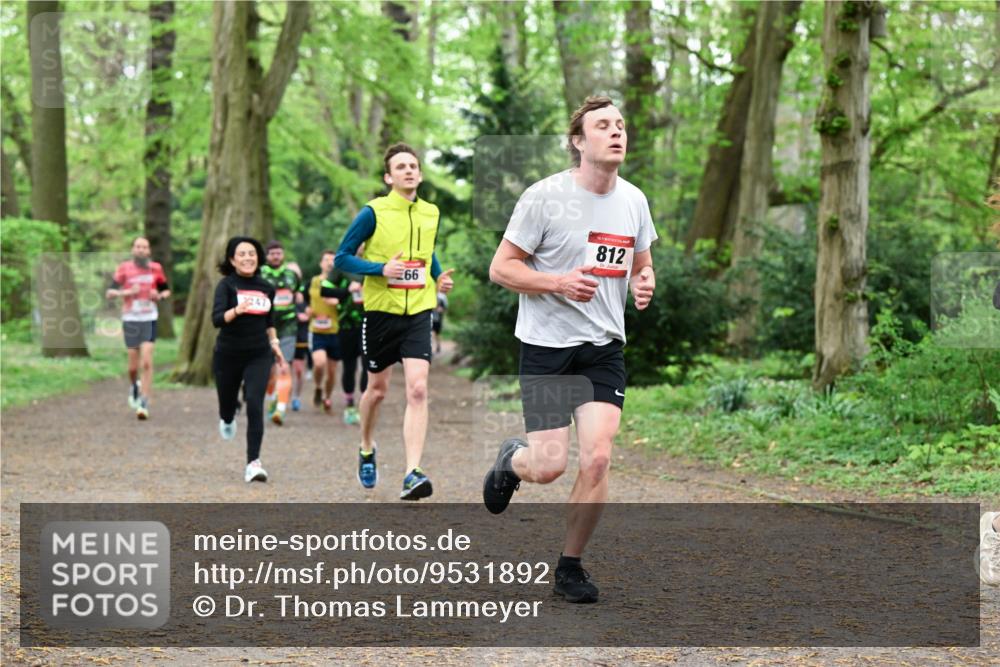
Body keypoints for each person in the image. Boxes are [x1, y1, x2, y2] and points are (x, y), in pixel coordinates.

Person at [482, 96, 657, 603]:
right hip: (547, 347)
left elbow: (642, 265)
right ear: (579, 141)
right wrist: (558, 282)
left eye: (621, 124)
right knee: (548, 467)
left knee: (598, 458)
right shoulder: (545, 197)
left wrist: (644, 284)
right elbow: (501, 269)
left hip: (603, 347)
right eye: (603, 125)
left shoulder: (634, 200)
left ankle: (570, 567)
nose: (617, 132)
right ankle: (512, 459)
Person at [335, 142, 454, 499]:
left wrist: (437, 277)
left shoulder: (431, 212)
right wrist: (380, 269)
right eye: (400, 166)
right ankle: (367, 446)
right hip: (381, 312)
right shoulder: (373, 212)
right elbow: (342, 258)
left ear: (419, 172)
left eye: (413, 165)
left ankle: (411, 472)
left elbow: (427, 251)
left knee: (418, 388)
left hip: (419, 310)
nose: (408, 170)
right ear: (389, 176)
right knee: (378, 391)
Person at [211, 236, 287, 483]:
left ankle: (253, 463)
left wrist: (275, 344)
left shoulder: (266, 287)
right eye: (241, 254)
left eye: (251, 253)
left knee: (255, 403)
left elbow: (269, 321)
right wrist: (237, 310)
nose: (247, 258)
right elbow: (217, 319)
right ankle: (228, 416)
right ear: (232, 259)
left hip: (258, 353)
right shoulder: (226, 285)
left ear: (258, 257)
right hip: (228, 354)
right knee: (227, 404)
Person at [105, 236, 170, 420]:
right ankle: (134, 385)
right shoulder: (124, 268)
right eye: (138, 247)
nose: (141, 250)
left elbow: (166, 290)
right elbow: (110, 293)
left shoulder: (156, 268)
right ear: (133, 249)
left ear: (148, 251)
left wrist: (158, 295)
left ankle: (144, 400)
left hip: (149, 318)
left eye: (145, 247)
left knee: (147, 362)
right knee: (133, 367)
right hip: (131, 319)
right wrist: (127, 292)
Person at [319, 263, 367, 425]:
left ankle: (364, 403)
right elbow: (324, 291)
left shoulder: (377, 262)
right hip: (347, 325)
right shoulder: (342, 265)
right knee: (349, 365)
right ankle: (350, 404)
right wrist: (347, 290)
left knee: (368, 364)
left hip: (371, 323)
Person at [260, 240, 300, 425]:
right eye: (272, 253)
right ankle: (273, 397)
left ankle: (280, 409)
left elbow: (298, 294)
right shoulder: (260, 274)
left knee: (284, 365)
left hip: (288, 326)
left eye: (279, 253)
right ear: (267, 256)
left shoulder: (292, 275)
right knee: (268, 371)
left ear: (283, 254)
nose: (276, 256)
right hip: (265, 326)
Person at [304, 250, 343, 413]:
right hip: (317, 330)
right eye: (326, 260)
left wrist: (338, 302)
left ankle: (327, 397)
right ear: (321, 263)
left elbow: (348, 301)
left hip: (335, 330)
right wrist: (307, 309)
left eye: (333, 260)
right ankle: (318, 387)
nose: (329, 263)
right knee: (319, 363)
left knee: (332, 372)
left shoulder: (340, 282)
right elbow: (304, 298)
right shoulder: (313, 282)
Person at [287, 261, 308, 412]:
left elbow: (314, 307)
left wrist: (309, 313)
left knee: (299, 370)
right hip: (285, 334)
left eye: (296, 273)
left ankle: (296, 397)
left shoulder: (305, 290)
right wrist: (295, 315)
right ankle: (279, 398)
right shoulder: (281, 289)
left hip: (301, 334)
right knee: (283, 369)